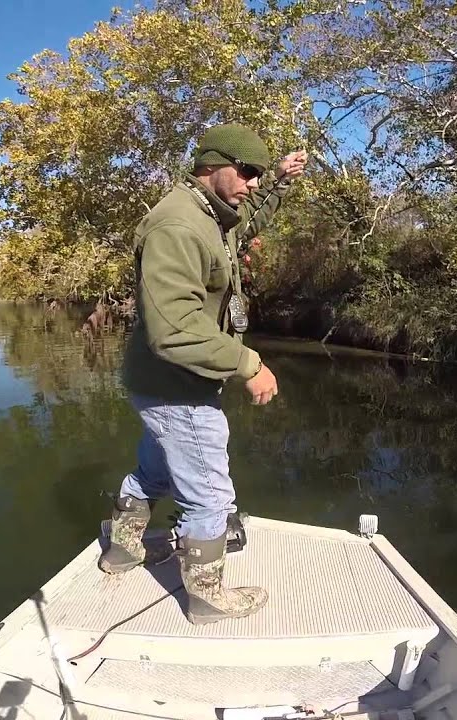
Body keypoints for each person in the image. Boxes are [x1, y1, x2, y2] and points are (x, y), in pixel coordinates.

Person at [97, 123, 307, 626]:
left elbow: (246, 220)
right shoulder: (179, 226)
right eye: (248, 172)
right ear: (212, 166)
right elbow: (174, 328)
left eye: (258, 175)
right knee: (211, 494)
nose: (252, 183)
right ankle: (208, 599)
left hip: (162, 384)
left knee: (155, 470)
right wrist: (248, 363)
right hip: (178, 386)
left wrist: (278, 180)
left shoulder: (211, 213)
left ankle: (123, 551)